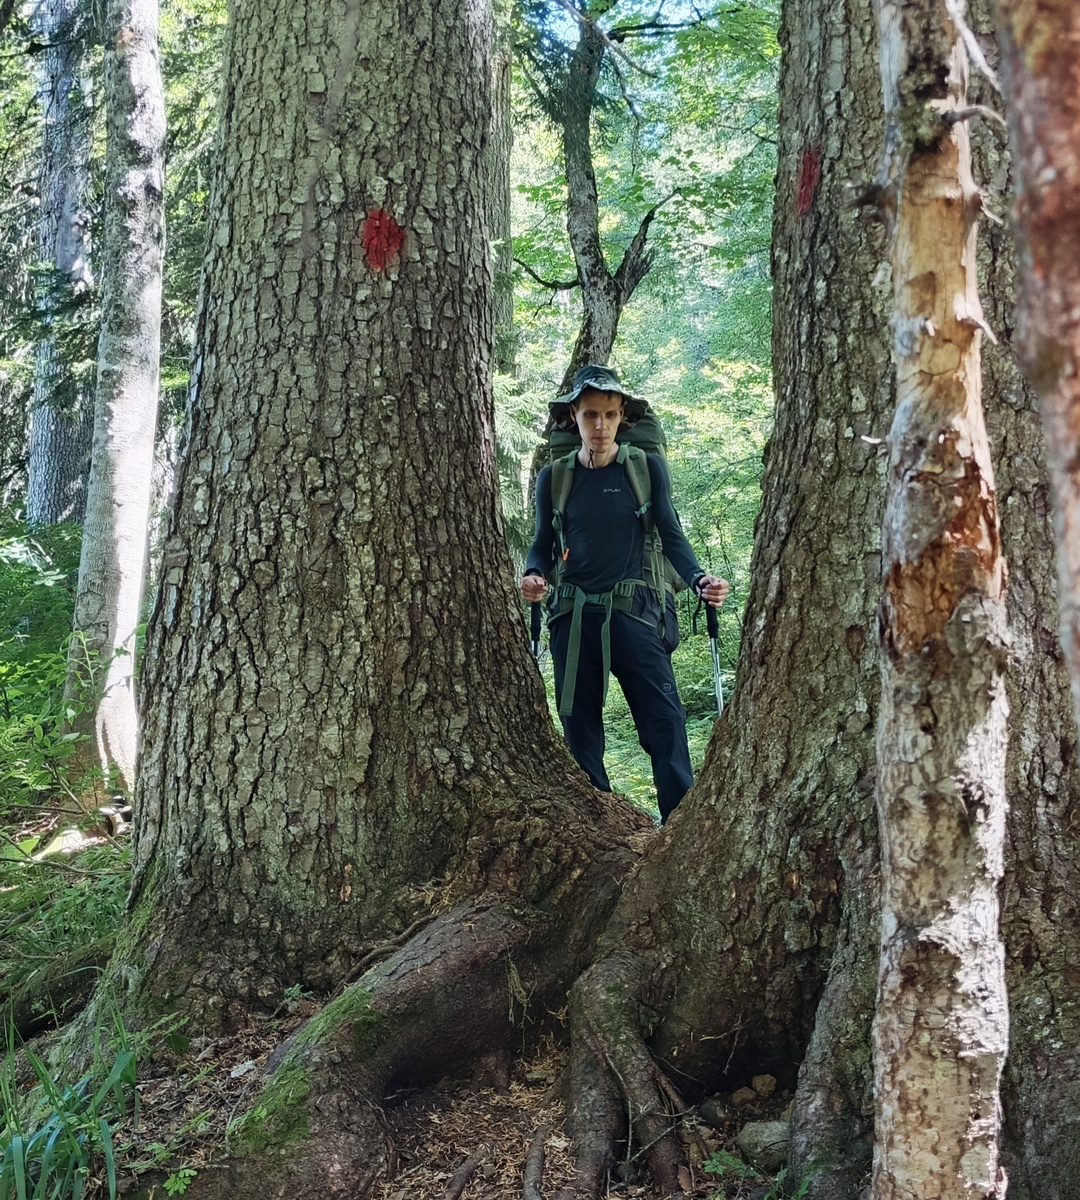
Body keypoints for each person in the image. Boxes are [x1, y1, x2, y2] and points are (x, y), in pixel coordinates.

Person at [521, 364, 729, 822]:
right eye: (591, 414)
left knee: (666, 722)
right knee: (580, 733)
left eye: (610, 415)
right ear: (573, 414)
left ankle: (678, 827)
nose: (600, 426)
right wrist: (534, 573)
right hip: (572, 620)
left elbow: (671, 536)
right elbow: (541, 543)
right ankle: (600, 826)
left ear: (622, 418)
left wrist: (699, 580)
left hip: (635, 614)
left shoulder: (645, 468)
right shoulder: (553, 479)